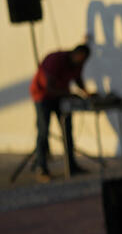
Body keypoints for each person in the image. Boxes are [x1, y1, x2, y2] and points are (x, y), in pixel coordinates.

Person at [29, 43, 93, 181]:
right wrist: (70, 94)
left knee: (67, 130)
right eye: (80, 59)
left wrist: (87, 93)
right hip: (43, 96)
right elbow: (49, 87)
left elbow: (78, 79)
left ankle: (71, 165)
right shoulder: (55, 59)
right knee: (43, 131)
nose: (81, 63)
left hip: (60, 97)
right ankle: (42, 168)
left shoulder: (78, 63)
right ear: (75, 53)